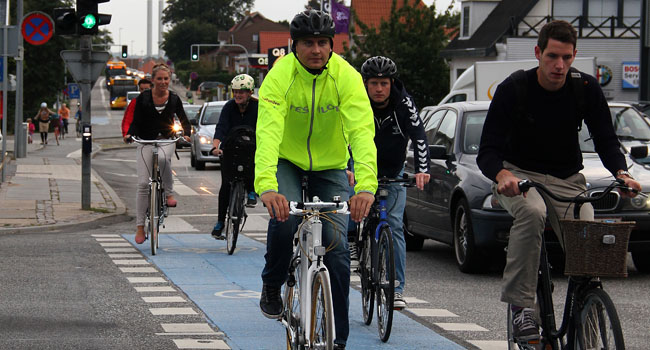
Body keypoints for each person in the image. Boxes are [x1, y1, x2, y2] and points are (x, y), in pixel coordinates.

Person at [476, 20, 642, 343]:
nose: (559, 65)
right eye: (552, 56)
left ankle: (590, 317)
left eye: (567, 57)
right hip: (521, 176)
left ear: (574, 55)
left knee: (588, 248)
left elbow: (606, 140)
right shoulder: (514, 89)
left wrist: (621, 173)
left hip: (568, 179)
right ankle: (522, 306)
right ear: (538, 53)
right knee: (532, 213)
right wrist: (502, 175)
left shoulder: (585, 89)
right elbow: (487, 151)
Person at [255, 10, 377, 349]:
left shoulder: (347, 77)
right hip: (287, 161)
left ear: (332, 45)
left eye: (323, 43)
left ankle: (338, 337)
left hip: (332, 167)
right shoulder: (280, 75)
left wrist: (366, 186)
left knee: (337, 249)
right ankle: (272, 282)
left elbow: (362, 133)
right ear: (294, 46)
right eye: (308, 43)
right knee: (284, 221)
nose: (316, 50)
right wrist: (267, 186)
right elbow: (267, 131)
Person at [356, 55, 431, 310]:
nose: (379, 89)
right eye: (374, 83)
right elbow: (343, 134)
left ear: (392, 83)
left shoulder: (404, 103)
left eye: (384, 83)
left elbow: (419, 135)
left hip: (394, 170)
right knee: (351, 217)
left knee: (395, 226)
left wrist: (422, 170)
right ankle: (357, 243)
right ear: (366, 84)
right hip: (363, 168)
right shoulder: (357, 101)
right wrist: (347, 167)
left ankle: (397, 287)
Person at [124, 64, 191, 245]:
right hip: (145, 140)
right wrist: (130, 134)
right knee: (143, 184)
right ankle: (140, 227)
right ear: (153, 80)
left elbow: (184, 120)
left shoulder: (174, 99)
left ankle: (169, 193)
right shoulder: (143, 99)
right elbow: (135, 121)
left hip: (166, 139)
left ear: (170, 80)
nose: (163, 82)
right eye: (159, 79)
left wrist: (186, 134)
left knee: (163, 158)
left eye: (166, 79)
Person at [209, 74, 259, 239]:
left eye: (242, 92)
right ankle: (220, 222)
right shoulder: (229, 107)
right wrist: (215, 146)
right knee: (226, 185)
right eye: (235, 91)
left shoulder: (258, 107)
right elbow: (221, 127)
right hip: (230, 147)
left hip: (252, 146)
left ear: (250, 92)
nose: (238, 95)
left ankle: (252, 190)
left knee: (254, 162)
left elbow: (265, 128)